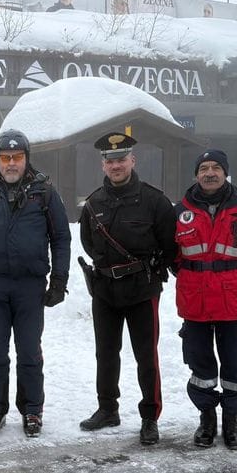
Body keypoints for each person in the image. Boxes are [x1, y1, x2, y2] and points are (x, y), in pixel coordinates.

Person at [0, 130, 71, 438]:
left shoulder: (44, 192)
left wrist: (59, 279)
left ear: (26, 159)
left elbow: (61, 237)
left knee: (29, 352)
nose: (11, 163)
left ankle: (32, 409)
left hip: (30, 288)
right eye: (5, 158)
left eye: (17, 157)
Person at [78, 132, 176, 446]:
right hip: (105, 289)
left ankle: (150, 417)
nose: (116, 165)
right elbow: (88, 242)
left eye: (121, 159)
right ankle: (108, 409)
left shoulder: (154, 201)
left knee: (146, 356)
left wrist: (152, 272)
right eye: (110, 161)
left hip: (141, 290)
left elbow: (170, 244)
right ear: (103, 165)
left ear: (133, 160)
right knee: (106, 353)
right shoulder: (94, 203)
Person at [173, 149, 237, 450]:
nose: (209, 173)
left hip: (233, 302)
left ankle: (232, 421)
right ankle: (207, 420)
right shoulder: (180, 211)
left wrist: (233, 276)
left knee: (236, 366)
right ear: (196, 174)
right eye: (203, 168)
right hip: (195, 301)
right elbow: (173, 255)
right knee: (200, 366)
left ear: (225, 172)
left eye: (215, 168)